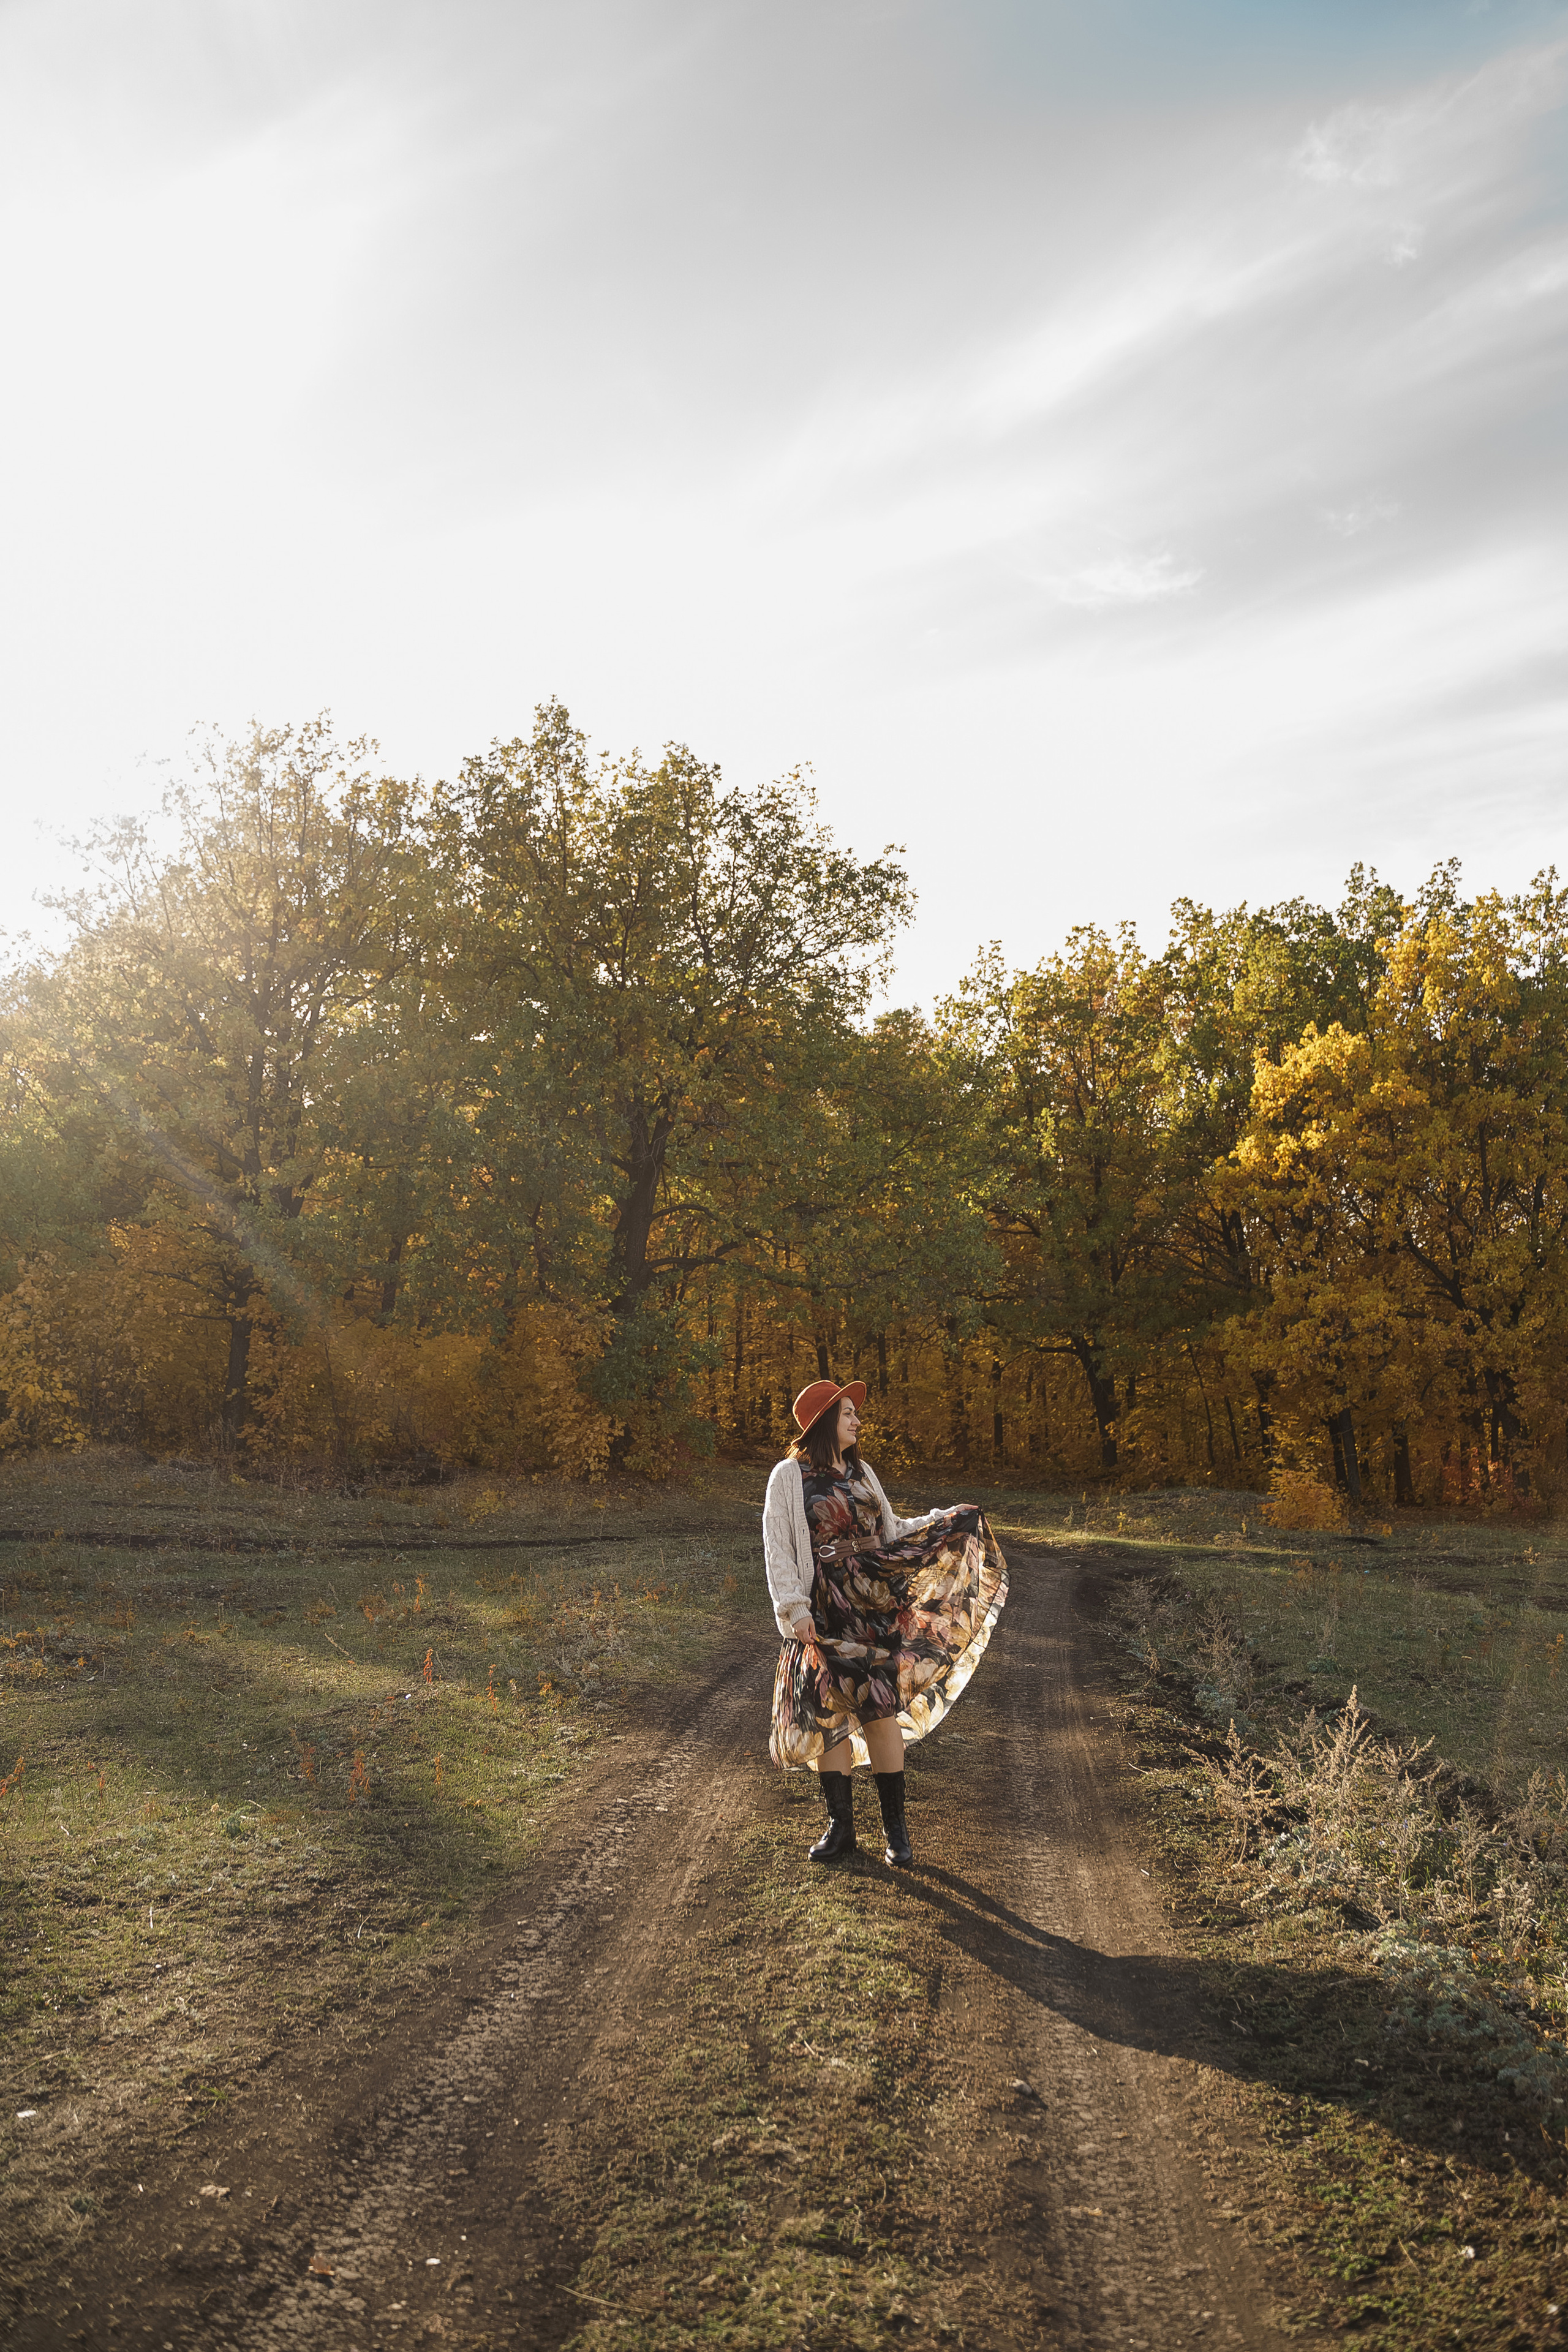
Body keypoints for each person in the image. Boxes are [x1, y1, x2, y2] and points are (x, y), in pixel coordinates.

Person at [763, 1377, 1009, 1866]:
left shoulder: (862, 1472)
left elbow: (893, 1531)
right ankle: (841, 1829)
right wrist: (794, 1610)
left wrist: (946, 1519)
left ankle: (896, 1831)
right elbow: (778, 1551)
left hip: (876, 1602)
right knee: (829, 1711)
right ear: (824, 1420)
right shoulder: (789, 1477)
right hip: (825, 1605)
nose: (857, 1420)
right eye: (848, 1412)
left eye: (855, 1412)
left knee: (879, 1707)